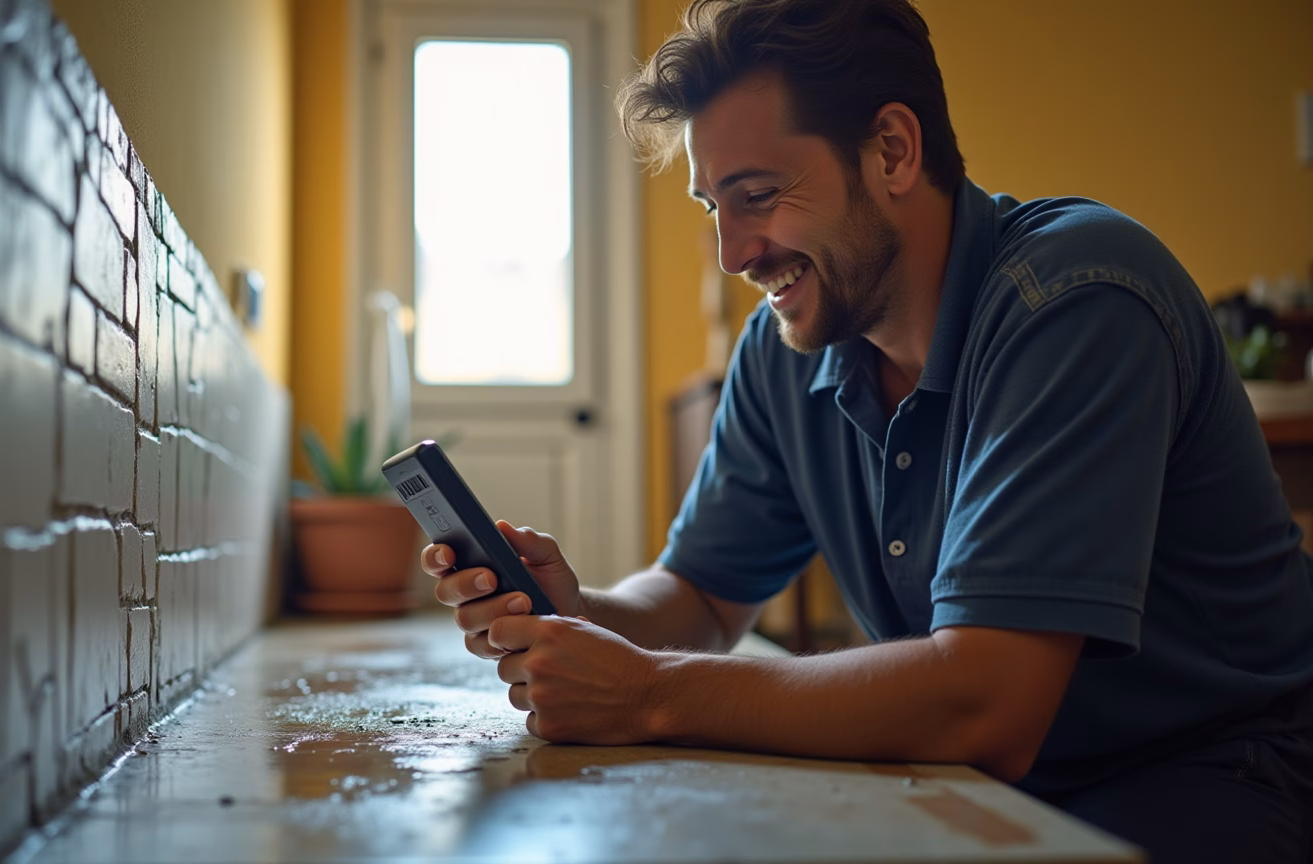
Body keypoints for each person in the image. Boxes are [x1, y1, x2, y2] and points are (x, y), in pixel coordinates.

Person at [420, 1, 1313, 860]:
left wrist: (648, 693)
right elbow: (699, 597)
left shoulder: (1077, 300)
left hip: (1223, 774)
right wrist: (583, 617)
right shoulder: (788, 349)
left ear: (892, 149)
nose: (733, 253)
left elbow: (985, 706)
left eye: (758, 195)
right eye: (712, 209)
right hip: (1000, 786)